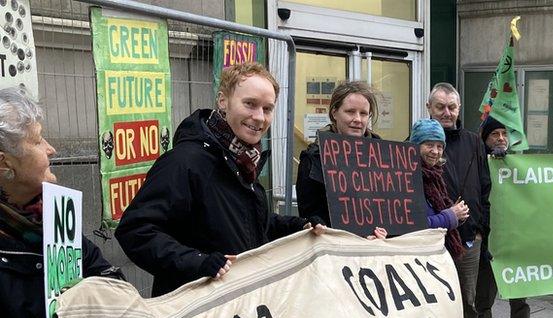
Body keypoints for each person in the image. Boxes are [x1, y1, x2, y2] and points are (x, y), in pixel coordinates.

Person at [116, 63, 326, 297]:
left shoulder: (244, 161)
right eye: (250, 104)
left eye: (267, 109)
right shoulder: (185, 161)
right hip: (195, 313)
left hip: (236, 309)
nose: (258, 117)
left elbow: (248, 225)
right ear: (223, 101)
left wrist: (298, 226)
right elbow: (136, 230)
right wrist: (198, 263)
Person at [0, 86, 124, 318]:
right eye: (38, 141)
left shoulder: (54, 217)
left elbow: (109, 281)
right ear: (5, 165)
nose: (51, 149)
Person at [427, 82, 492, 318]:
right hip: (431, 241)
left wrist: (481, 229)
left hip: (468, 239)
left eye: (452, 107)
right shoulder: (416, 144)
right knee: (433, 301)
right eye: (440, 107)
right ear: (429, 108)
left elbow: (484, 186)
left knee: (467, 301)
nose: (446, 113)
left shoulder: (473, 142)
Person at [474, 116, 536, 318]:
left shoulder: (519, 166)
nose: (500, 138)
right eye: (494, 134)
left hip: (515, 241)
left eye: (504, 134)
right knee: (484, 300)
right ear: (485, 140)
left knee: (519, 298)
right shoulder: (478, 166)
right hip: (489, 242)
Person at [296, 80, 385, 240]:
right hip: (334, 251)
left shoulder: (383, 156)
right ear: (334, 113)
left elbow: (391, 209)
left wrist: (385, 233)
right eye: (350, 112)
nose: (358, 119)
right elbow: (310, 216)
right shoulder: (314, 158)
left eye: (363, 113)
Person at [408, 119, 470, 270]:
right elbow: (413, 225)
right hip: (415, 260)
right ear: (415, 146)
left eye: (440, 146)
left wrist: (457, 215)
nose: (435, 151)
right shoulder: (407, 177)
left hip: (435, 257)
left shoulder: (434, 176)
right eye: (429, 145)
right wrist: (450, 216)